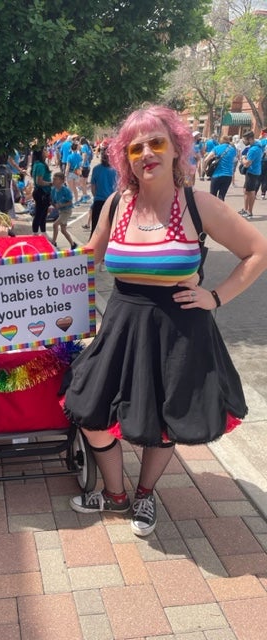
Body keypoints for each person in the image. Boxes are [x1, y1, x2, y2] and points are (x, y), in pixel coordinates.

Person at [64, 104, 267, 537]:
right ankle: (116, 494)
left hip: (181, 329)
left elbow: (258, 251)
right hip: (121, 322)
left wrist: (216, 297)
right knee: (91, 411)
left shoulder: (199, 205)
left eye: (156, 142)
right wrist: (21, 267)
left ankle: (144, 494)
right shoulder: (117, 203)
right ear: (125, 158)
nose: (146, 153)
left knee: (165, 419)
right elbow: (87, 258)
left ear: (177, 148)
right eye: (134, 147)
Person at [86, 145, 117, 235]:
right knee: (111, 229)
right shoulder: (116, 170)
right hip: (113, 202)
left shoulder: (96, 169)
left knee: (95, 229)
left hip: (100, 201)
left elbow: (93, 187)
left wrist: (96, 196)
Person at [203, 135, 236, 201]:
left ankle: (212, 210)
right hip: (228, 175)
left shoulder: (217, 148)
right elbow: (234, 160)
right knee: (222, 196)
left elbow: (206, 159)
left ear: (221, 140)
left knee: (213, 195)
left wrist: (205, 169)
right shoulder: (233, 149)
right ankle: (220, 210)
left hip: (217, 175)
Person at [50, 171, 77, 250]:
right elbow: (53, 201)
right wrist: (53, 206)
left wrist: (61, 205)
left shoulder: (65, 190)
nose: (54, 181)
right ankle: (72, 244)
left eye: (56, 179)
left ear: (62, 181)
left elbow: (70, 202)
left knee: (55, 225)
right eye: (53, 179)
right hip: (61, 211)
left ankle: (53, 243)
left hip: (66, 211)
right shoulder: (53, 190)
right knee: (63, 230)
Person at [238, 130, 262, 218]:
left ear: (250, 139)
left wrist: (243, 158)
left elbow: (247, 163)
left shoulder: (254, 149)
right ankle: (245, 209)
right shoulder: (255, 146)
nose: (244, 141)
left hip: (253, 172)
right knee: (246, 190)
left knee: (251, 192)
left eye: (245, 139)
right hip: (253, 171)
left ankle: (250, 211)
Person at [31, 147, 52, 236]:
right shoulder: (40, 165)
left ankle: (43, 233)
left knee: (43, 215)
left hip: (41, 192)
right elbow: (39, 182)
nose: (47, 152)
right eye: (44, 150)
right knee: (39, 215)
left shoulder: (37, 164)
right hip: (42, 193)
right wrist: (51, 184)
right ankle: (35, 234)